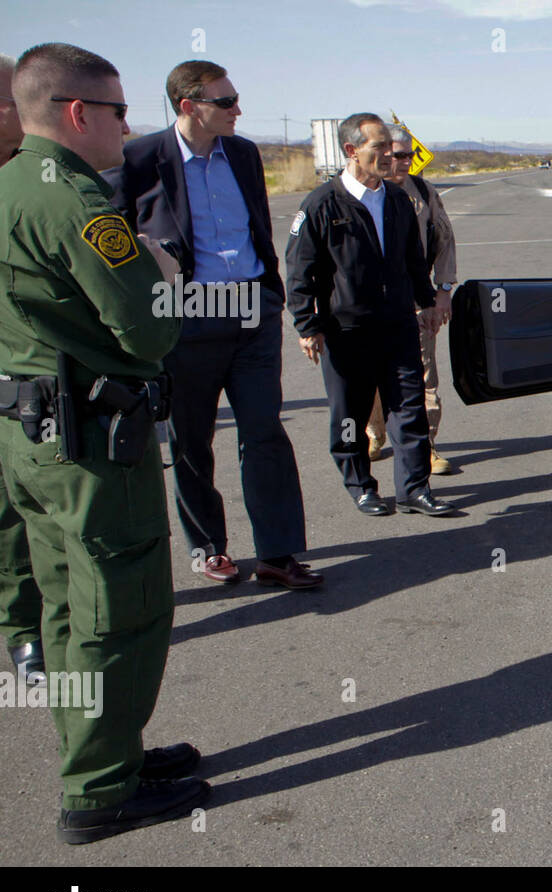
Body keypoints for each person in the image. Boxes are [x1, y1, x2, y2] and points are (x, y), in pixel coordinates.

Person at [0, 42, 209, 844]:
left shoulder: (14, 183)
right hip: (89, 445)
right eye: (120, 112)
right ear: (78, 113)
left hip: (32, 435)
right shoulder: (76, 202)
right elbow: (151, 328)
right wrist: (159, 266)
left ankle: (104, 751)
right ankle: (98, 790)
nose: (130, 128)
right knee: (118, 611)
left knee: (65, 609)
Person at [105, 60, 321, 589]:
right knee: (191, 441)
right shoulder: (139, 159)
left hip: (252, 313)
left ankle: (277, 552)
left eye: (236, 99)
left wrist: (272, 298)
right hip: (186, 317)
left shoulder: (244, 153)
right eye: (225, 103)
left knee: (265, 433)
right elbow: (111, 237)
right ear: (189, 105)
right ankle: (208, 547)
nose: (237, 110)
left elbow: (254, 225)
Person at [285, 113, 457, 518]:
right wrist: (307, 326)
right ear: (351, 151)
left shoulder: (397, 199)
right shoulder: (321, 204)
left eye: (388, 147)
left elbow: (415, 260)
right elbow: (298, 270)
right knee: (351, 412)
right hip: (346, 329)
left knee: (409, 407)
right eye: (377, 147)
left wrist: (428, 300)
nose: (388, 156)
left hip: (397, 323)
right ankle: (361, 485)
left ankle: (414, 488)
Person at [365, 124, 458, 475]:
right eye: (398, 155)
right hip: (368, 306)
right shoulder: (359, 194)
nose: (405, 162)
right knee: (371, 378)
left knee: (423, 377)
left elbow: (445, 239)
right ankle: (374, 432)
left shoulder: (422, 192)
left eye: (410, 155)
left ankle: (426, 445)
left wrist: (443, 291)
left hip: (416, 301)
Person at [0, 51, 48, 687]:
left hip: (34, 377)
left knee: (29, 510)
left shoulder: (43, 176)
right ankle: (21, 630)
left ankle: (43, 628)